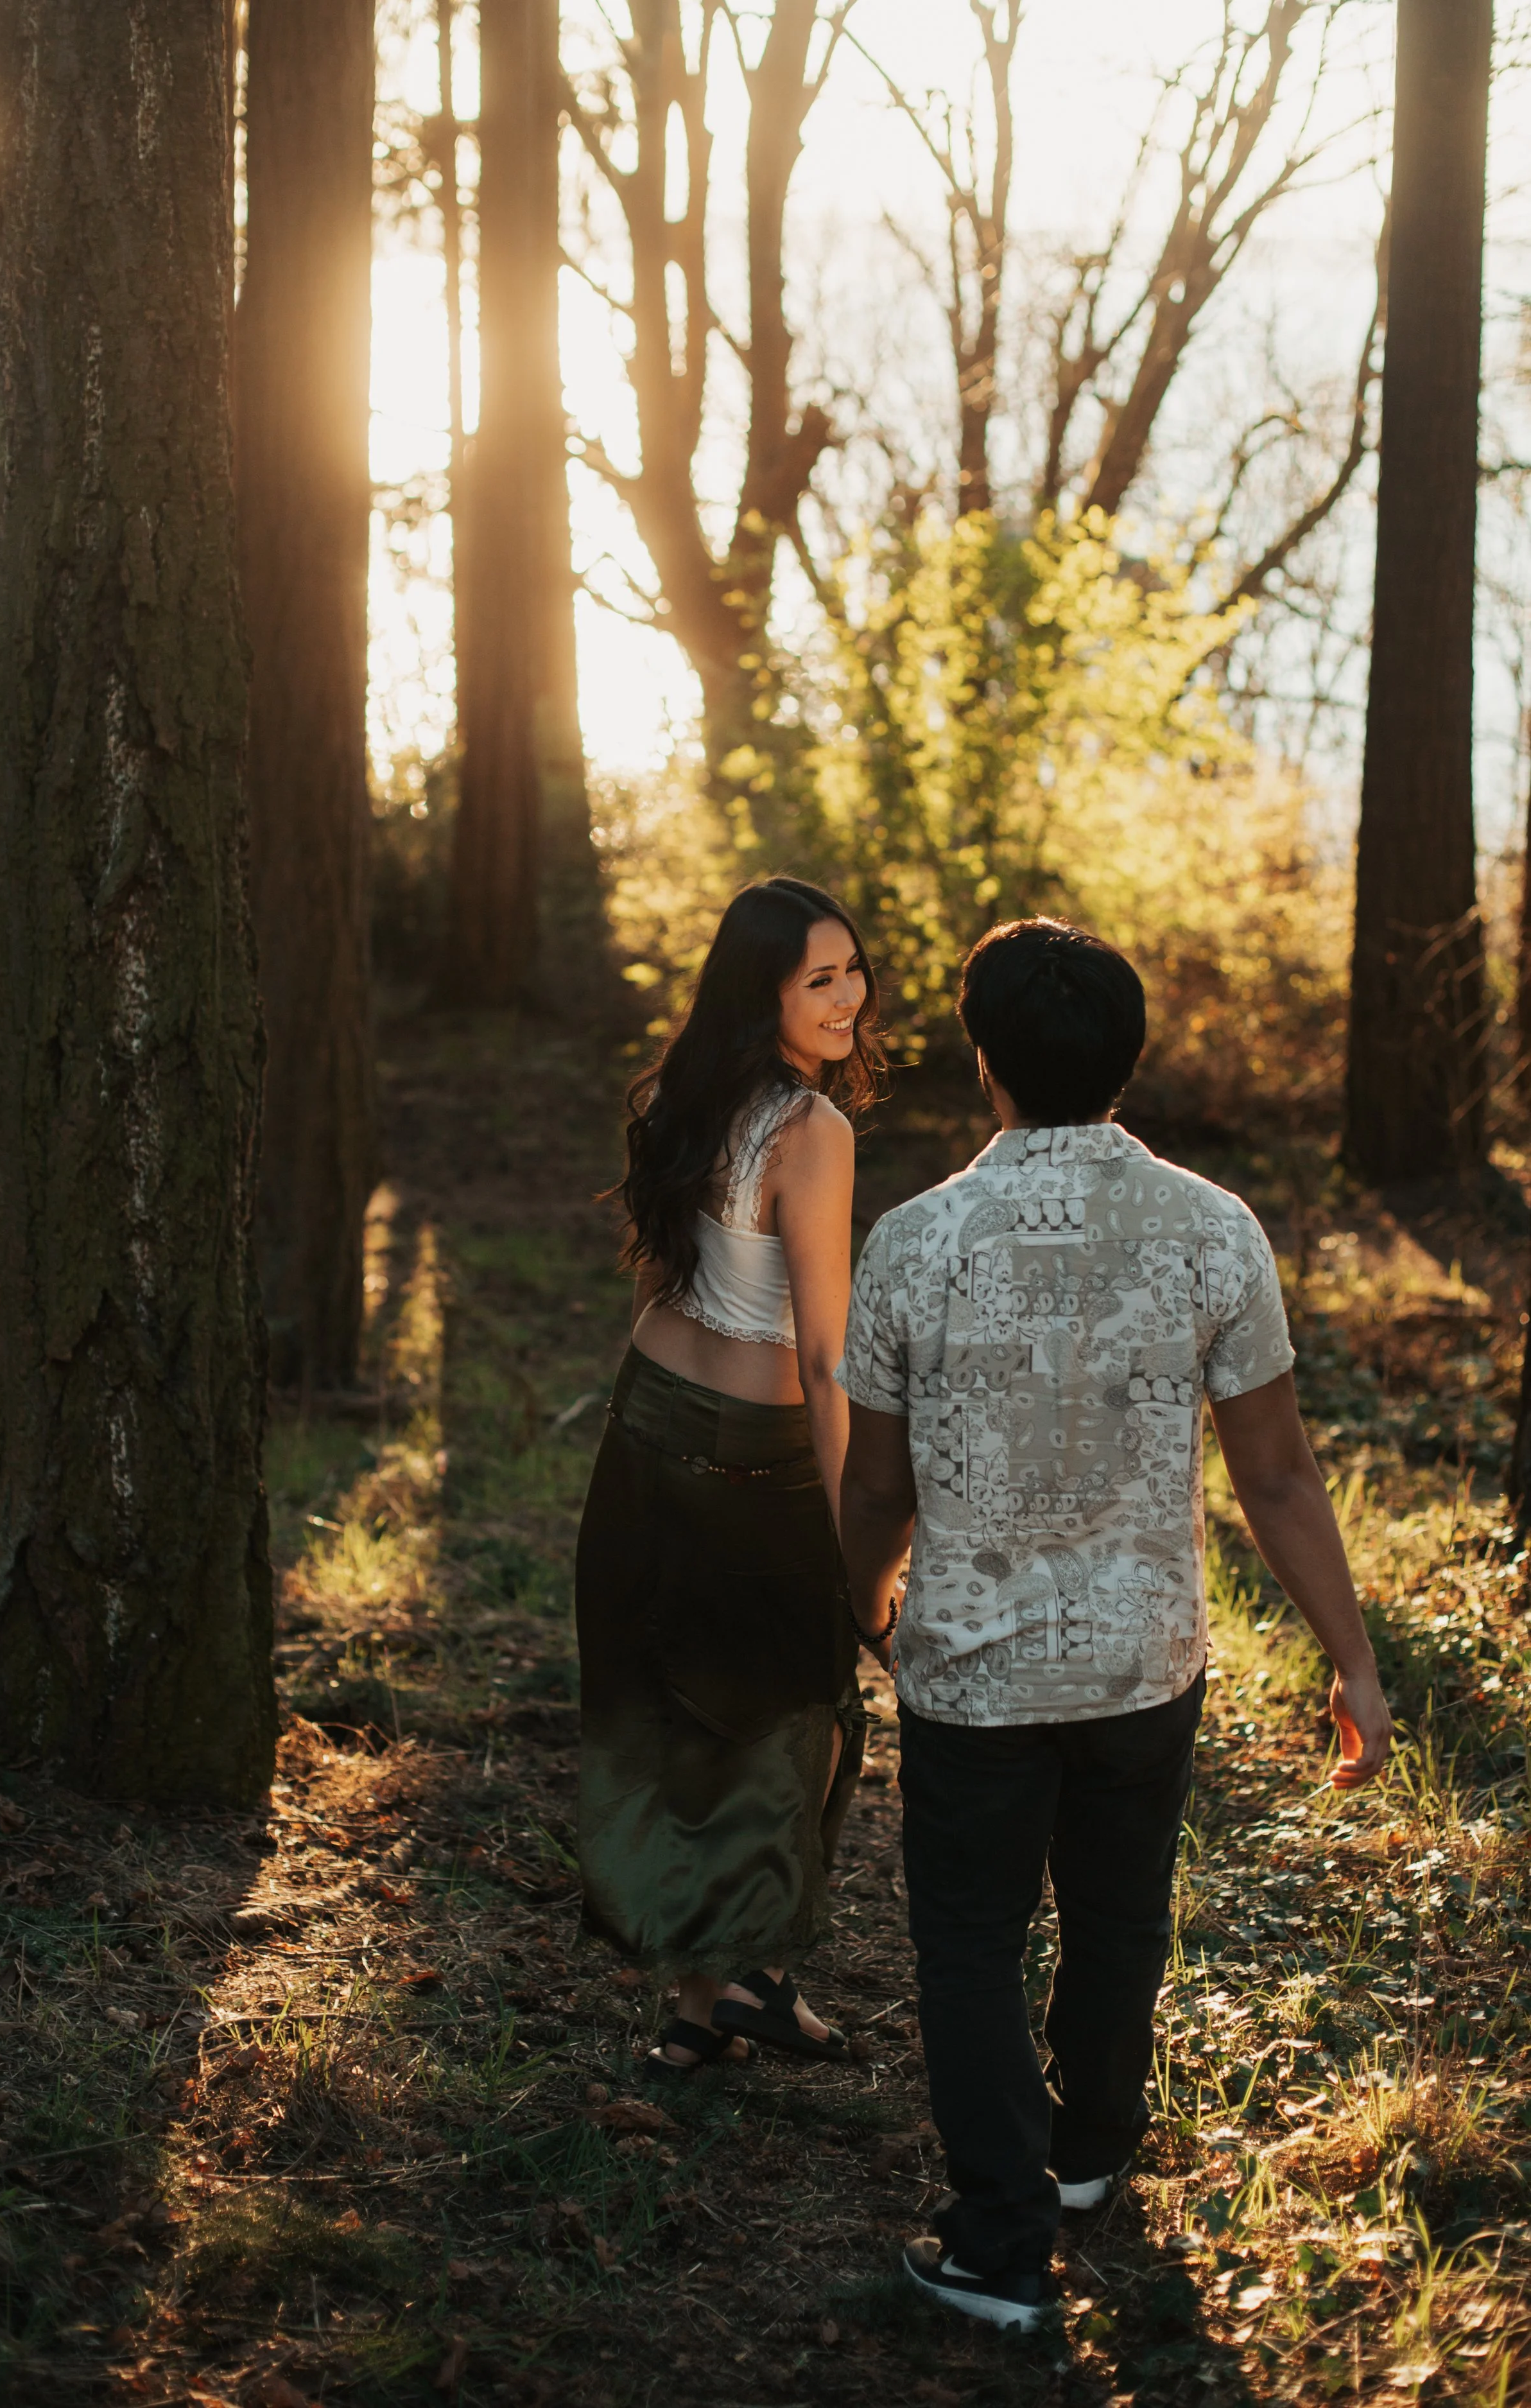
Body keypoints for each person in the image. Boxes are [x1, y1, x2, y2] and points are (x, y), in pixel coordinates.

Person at [838, 917, 1394, 2327]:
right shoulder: (1210, 1228)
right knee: (1115, 1916)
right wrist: (1351, 1658)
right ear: (1129, 1059)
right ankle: (1084, 2159)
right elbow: (1273, 1473)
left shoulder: (911, 1244)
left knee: (968, 1948)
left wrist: (850, 1613)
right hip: (1143, 1662)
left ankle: (997, 2247)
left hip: (968, 1670)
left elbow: (874, 1488)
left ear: (982, 1061)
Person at [576, 877, 887, 2073]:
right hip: (743, 1456)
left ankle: (705, 2003)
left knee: (681, 1704)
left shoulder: (675, 1094)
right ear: (763, 994)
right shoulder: (813, 1134)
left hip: (647, 1419)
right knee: (788, 1706)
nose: (849, 996)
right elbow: (823, 1353)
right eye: (821, 979)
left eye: (853, 969)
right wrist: (859, 1546)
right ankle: (743, 1978)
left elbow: (659, 1281)